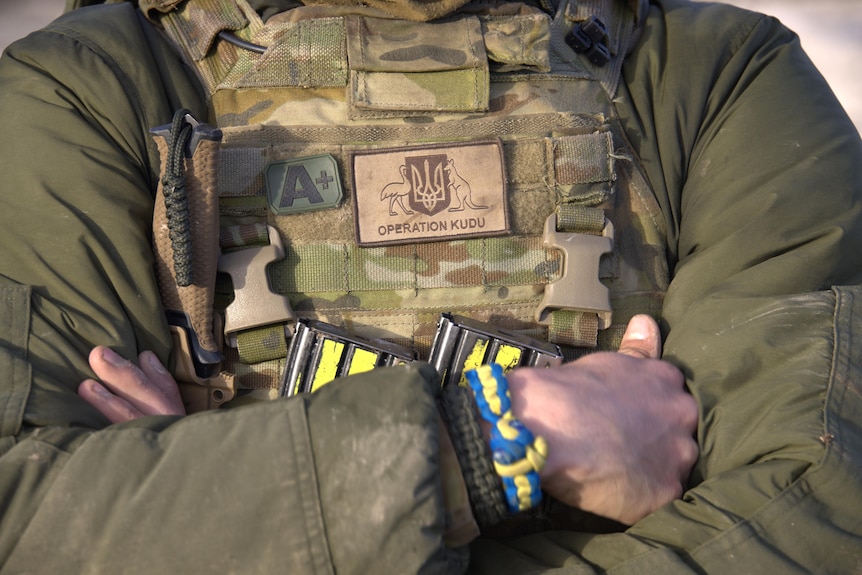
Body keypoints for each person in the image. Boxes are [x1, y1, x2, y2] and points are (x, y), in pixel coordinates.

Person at [0, 0, 859, 573]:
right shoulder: (82, 90)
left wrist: (206, 510)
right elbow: (32, 525)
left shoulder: (715, 77)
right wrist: (495, 444)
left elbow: (820, 510)